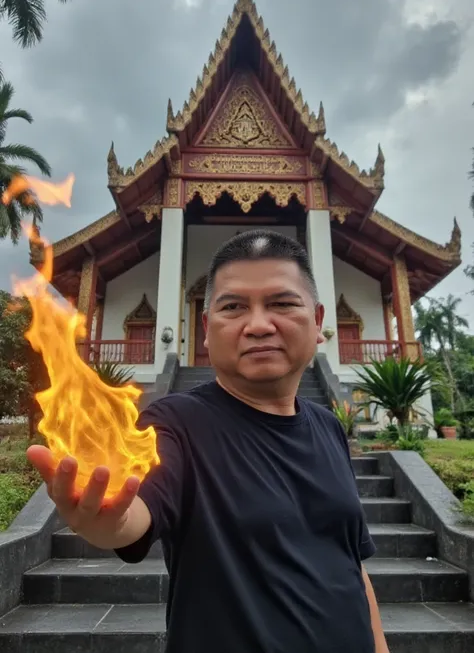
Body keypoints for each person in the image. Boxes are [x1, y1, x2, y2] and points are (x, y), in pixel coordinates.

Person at [27, 229, 390, 653]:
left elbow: (351, 564)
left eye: (282, 303)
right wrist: (110, 520)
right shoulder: (175, 422)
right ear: (204, 327)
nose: (257, 325)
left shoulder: (329, 425)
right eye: (233, 307)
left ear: (318, 321)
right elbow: (138, 509)